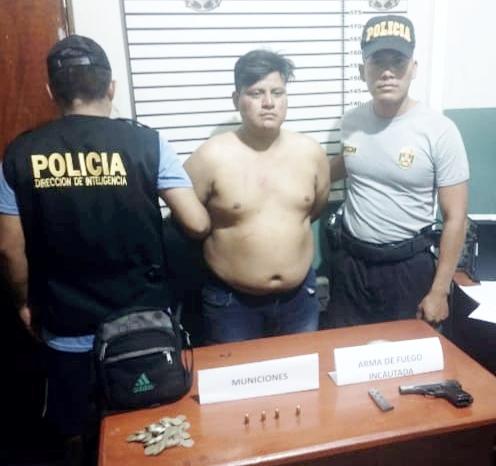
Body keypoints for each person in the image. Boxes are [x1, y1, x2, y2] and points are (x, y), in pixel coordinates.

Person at [0, 35, 210, 465]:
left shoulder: (20, 153)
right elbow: (196, 222)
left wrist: (22, 302)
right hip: (141, 326)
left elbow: (8, 248)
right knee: (151, 435)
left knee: (79, 437)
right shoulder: (147, 144)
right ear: (111, 87)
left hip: (66, 324)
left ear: (51, 91)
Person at [328, 15, 469, 328]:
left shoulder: (440, 131)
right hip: (351, 266)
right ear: (362, 71)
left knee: (407, 355)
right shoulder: (351, 122)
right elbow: (348, 164)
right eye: (378, 62)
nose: (388, 72)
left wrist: (439, 290)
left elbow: (456, 217)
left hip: (408, 268)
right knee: (345, 350)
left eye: (398, 62)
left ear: (414, 69)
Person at [184, 49, 330, 344]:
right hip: (232, 305)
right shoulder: (209, 157)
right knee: (235, 375)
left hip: (300, 299)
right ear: (236, 99)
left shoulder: (311, 153)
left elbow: (314, 209)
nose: (268, 103)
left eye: (277, 92)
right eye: (256, 93)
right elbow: (187, 221)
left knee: (302, 373)